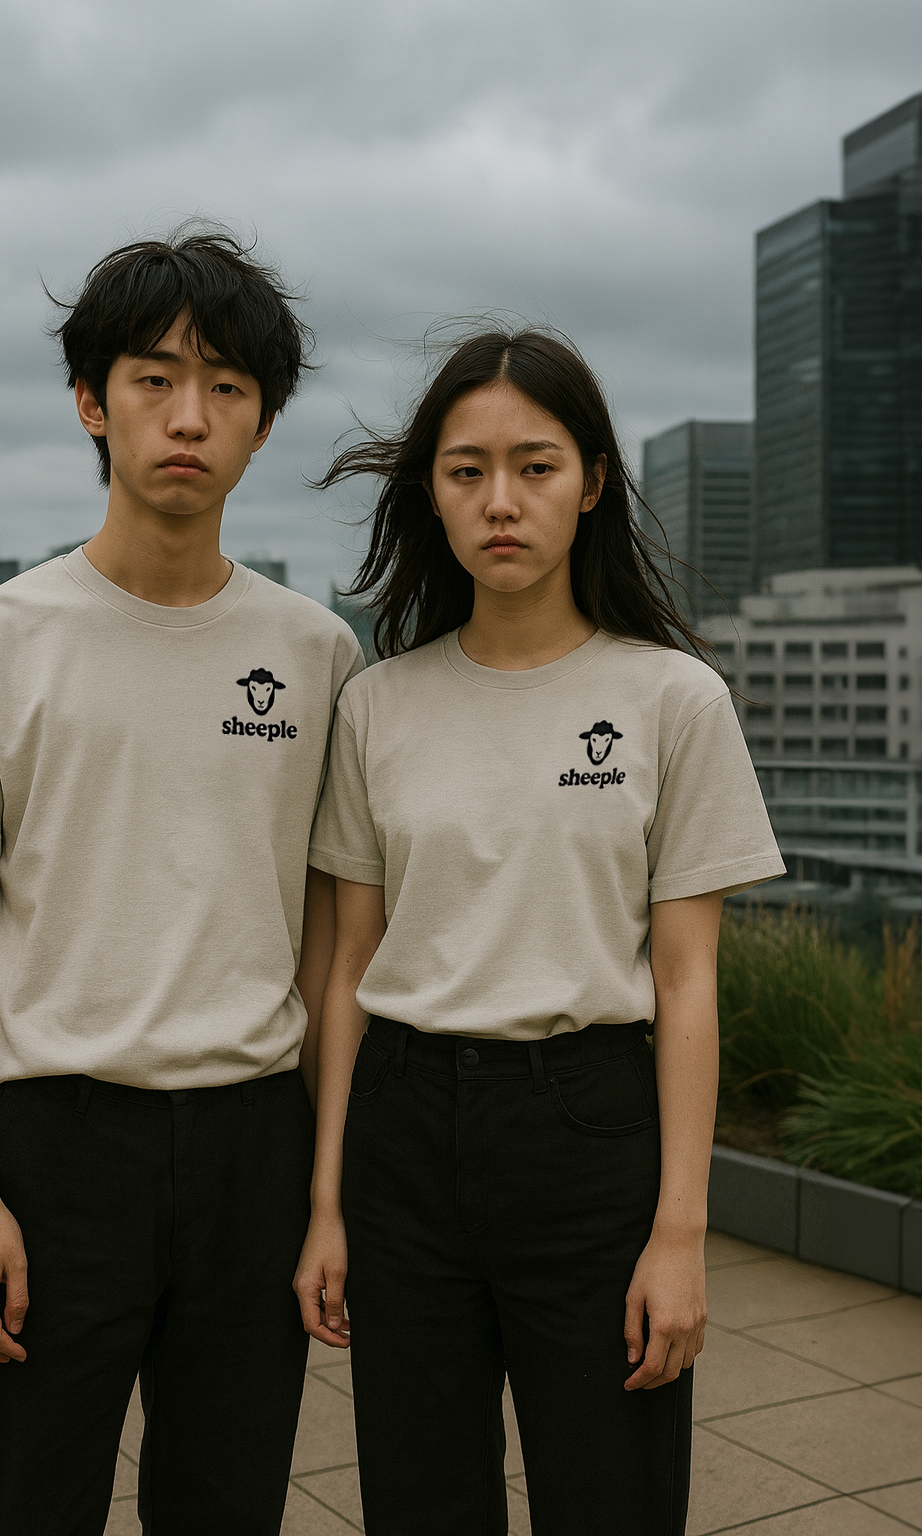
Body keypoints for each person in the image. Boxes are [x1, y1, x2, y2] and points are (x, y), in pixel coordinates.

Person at [0, 230, 364, 1536]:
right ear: (92, 403)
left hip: (252, 1143)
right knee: (16, 1502)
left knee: (224, 1507)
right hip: (54, 1144)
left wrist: (323, 1194)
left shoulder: (315, 654)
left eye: (225, 389)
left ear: (262, 424)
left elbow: (332, 946)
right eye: (152, 379)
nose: (187, 418)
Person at [293, 329, 784, 1536]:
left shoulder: (674, 700)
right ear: (430, 494)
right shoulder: (375, 704)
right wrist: (327, 1205)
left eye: (536, 465)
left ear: (595, 481)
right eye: (465, 471)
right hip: (403, 1132)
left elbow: (687, 980)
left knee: (610, 1495)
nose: (499, 502)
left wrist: (680, 1234)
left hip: (589, 1133)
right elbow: (346, 967)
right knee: (421, 1499)